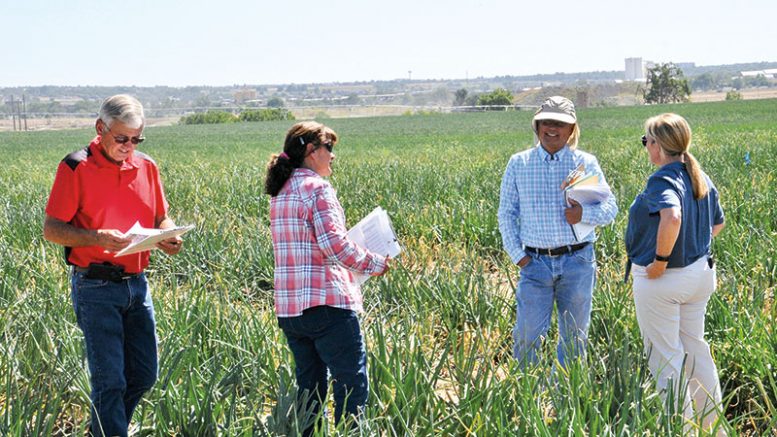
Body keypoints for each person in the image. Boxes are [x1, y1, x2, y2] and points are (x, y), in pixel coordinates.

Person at [43, 94, 183, 437]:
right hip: (95, 286)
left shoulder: (147, 166)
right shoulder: (76, 167)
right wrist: (97, 238)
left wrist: (169, 234)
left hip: (138, 285)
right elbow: (52, 229)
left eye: (136, 139)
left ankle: (103, 429)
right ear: (100, 129)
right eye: (122, 138)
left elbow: (161, 215)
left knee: (144, 374)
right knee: (110, 382)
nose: (129, 146)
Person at [265, 121, 389, 433]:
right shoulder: (317, 188)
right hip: (327, 306)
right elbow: (335, 247)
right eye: (328, 149)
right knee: (351, 384)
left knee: (310, 390)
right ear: (311, 151)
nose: (333, 156)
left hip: (291, 310)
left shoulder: (280, 192)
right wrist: (375, 262)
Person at [498, 96, 618, 368]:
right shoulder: (519, 164)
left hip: (577, 262)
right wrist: (519, 256)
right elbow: (506, 213)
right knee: (527, 336)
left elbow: (610, 208)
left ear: (572, 129)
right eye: (546, 122)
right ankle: (529, 400)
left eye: (560, 123)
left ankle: (566, 398)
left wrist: (583, 214)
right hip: (534, 263)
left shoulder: (585, 163)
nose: (552, 128)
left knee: (574, 338)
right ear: (537, 126)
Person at [626, 113, 725, 431]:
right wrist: (692, 245)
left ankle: (679, 430)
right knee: (695, 349)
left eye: (646, 141)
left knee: (665, 358)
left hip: (665, 281)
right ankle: (712, 426)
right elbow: (718, 224)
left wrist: (660, 260)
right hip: (699, 274)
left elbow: (671, 216)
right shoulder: (698, 175)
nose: (646, 147)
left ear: (656, 145)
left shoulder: (663, 179)